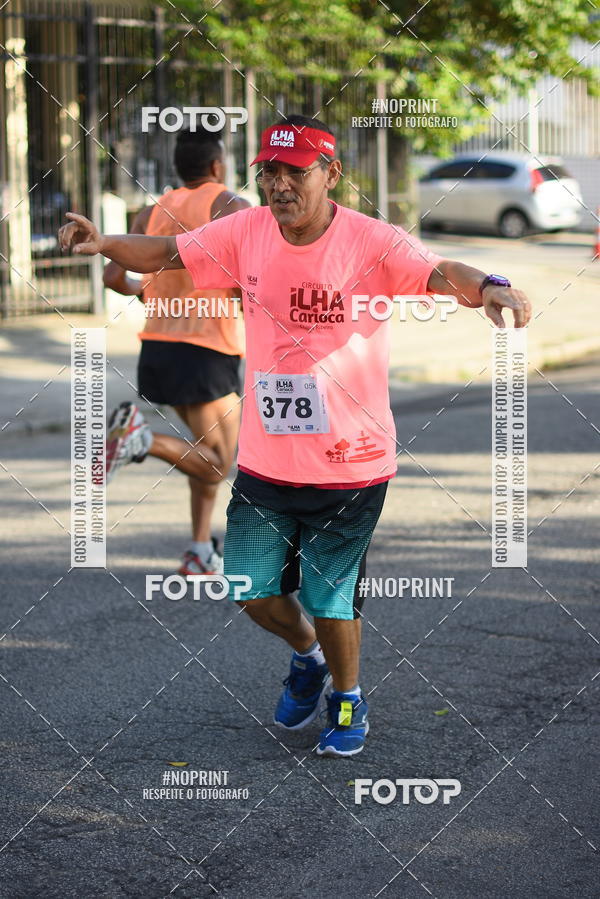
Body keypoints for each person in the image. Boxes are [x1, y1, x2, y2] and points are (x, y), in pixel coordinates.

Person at [59, 114, 531, 757]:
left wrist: (493, 285)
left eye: (296, 172)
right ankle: (306, 657)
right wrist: (104, 240)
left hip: (352, 460)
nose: (281, 185)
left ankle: (347, 697)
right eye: (270, 173)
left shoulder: (371, 241)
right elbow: (171, 254)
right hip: (266, 457)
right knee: (249, 589)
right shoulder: (248, 230)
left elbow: (438, 271)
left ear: (330, 174)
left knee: (329, 593)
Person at [102, 127, 249, 575]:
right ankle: (140, 439)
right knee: (219, 463)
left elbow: (113, 278)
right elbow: (251, 279)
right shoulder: (230, 205)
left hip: (159, 348)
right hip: (205, 348)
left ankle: (199, 550)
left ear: (178, 169)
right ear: (217, 166)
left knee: (204, 455)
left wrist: (153, 294)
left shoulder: (151, 211)